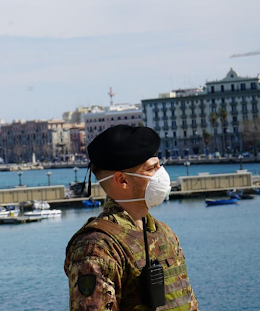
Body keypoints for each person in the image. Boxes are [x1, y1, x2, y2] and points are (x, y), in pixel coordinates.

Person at [65, 125, 197, 310]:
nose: (161, 175)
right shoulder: (96, 247)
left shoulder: (164, 233)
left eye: (159, 166)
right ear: (122, 180)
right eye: (151, 169)